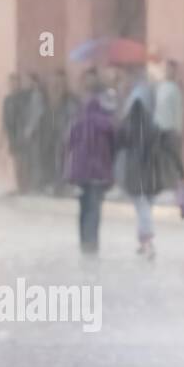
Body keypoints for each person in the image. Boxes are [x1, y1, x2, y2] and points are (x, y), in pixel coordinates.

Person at [64, 68, 115, 256]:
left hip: (81, 172)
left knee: (84, 208)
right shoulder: (106, 121)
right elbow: (113, 143)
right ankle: (91, 244)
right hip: (99, 172)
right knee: (94, 208)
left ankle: (85, 243)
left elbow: (68, 143)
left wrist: (69, 170)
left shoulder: (78, 121)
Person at [115, 66, 160, 259]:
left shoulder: (132, 119)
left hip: (137, 167)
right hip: (148, 167)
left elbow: (123, 140)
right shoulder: (150, 120)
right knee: (144, 204)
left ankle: (147, 241)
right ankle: (144, 241)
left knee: (141, 204)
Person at [153, 58, 184, 193]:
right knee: (160, 159)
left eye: (171, 69)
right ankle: (163, 186)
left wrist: (178, 130)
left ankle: (177, 188)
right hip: (158, 128)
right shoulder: (160, 87)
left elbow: (178, 111)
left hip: (171, 129)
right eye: (166, 69)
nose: (168, 72)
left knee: (174, 159)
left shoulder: (175, 89)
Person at [1, 73, 28, 192]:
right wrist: (2, 135)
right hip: (12, 134)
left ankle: (24, 186)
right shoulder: (7, 100)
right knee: (16, 160)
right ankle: (19, 185)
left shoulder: (24, 99)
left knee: (23, 160)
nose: (13, 85)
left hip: (22, 133)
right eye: (11, 82)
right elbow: (4, 118)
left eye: (16, 82)